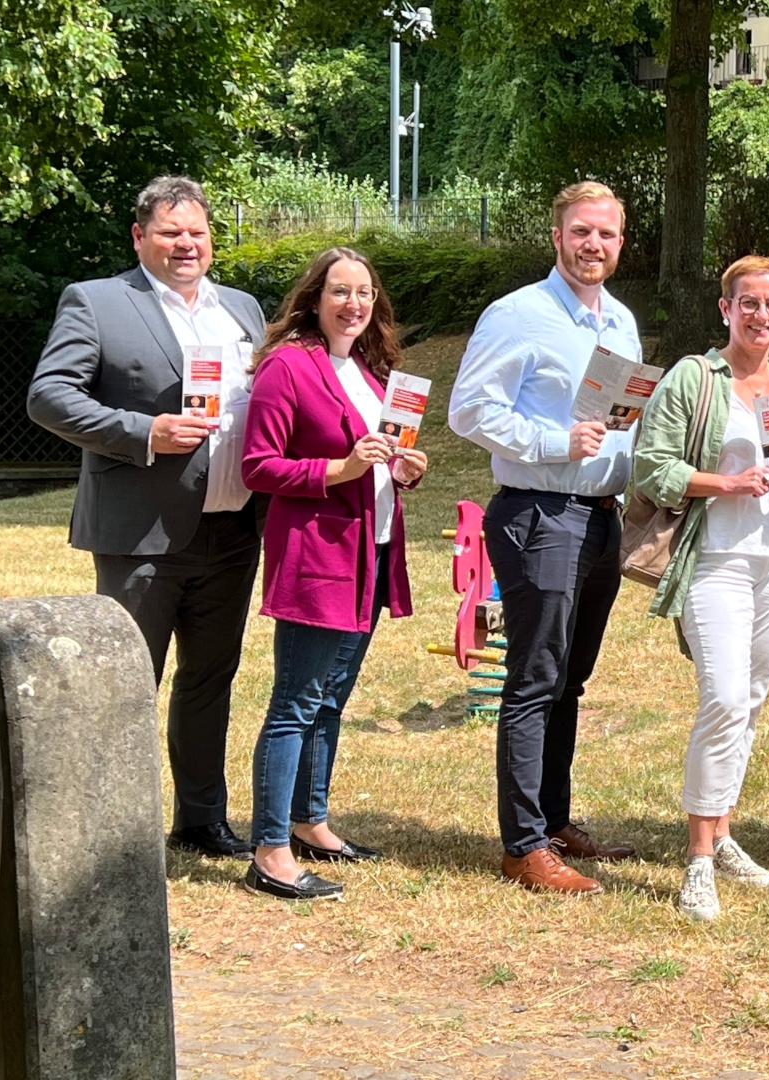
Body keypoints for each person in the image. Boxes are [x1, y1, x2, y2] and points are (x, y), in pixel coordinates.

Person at [28, 175, 266, 859]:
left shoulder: (243, 310)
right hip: (142, 532)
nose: (186, 244)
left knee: (210, 677)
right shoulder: (98, 302)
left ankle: (201, 819)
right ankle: (113, 833)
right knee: (129, 682)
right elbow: (49, 396)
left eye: (197, 232)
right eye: (170, 232)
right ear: (139, 237)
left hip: (232, 526)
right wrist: (143, 432)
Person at [447, 181, 641, 894]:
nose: (594, 245)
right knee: (534, 679)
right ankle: (523, 846)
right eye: (582, 232)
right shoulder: (518, 314)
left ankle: (554, 821)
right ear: (557, 237)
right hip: (540, 515)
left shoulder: (621, 322)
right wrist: (553, 442)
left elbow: (623, 421)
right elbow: (469, 410)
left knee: (570, 679)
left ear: (621, 242)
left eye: (607, 234)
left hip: (601, 517)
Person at [633, 255, 769, 921]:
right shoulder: (695, 377)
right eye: (748, 303)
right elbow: (651, 466)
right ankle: (697, 862)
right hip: (715, 559)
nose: (760, 315)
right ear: (726, 308)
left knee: (748, 701)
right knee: (720, 698)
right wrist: (727, 483)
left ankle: (722, 834)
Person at [236, 247, 427, 900]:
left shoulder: (372, 372)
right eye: (340, 291)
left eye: (365, 292)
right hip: (318, 556)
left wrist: (403, 469)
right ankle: (269, 851)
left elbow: (379, 459)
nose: (354, 304)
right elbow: (258, 466)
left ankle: (309, 822)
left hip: (372, 552)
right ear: (314, 298)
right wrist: (340, 470)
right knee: (295, 701)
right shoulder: (288, 367)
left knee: (330, 698)